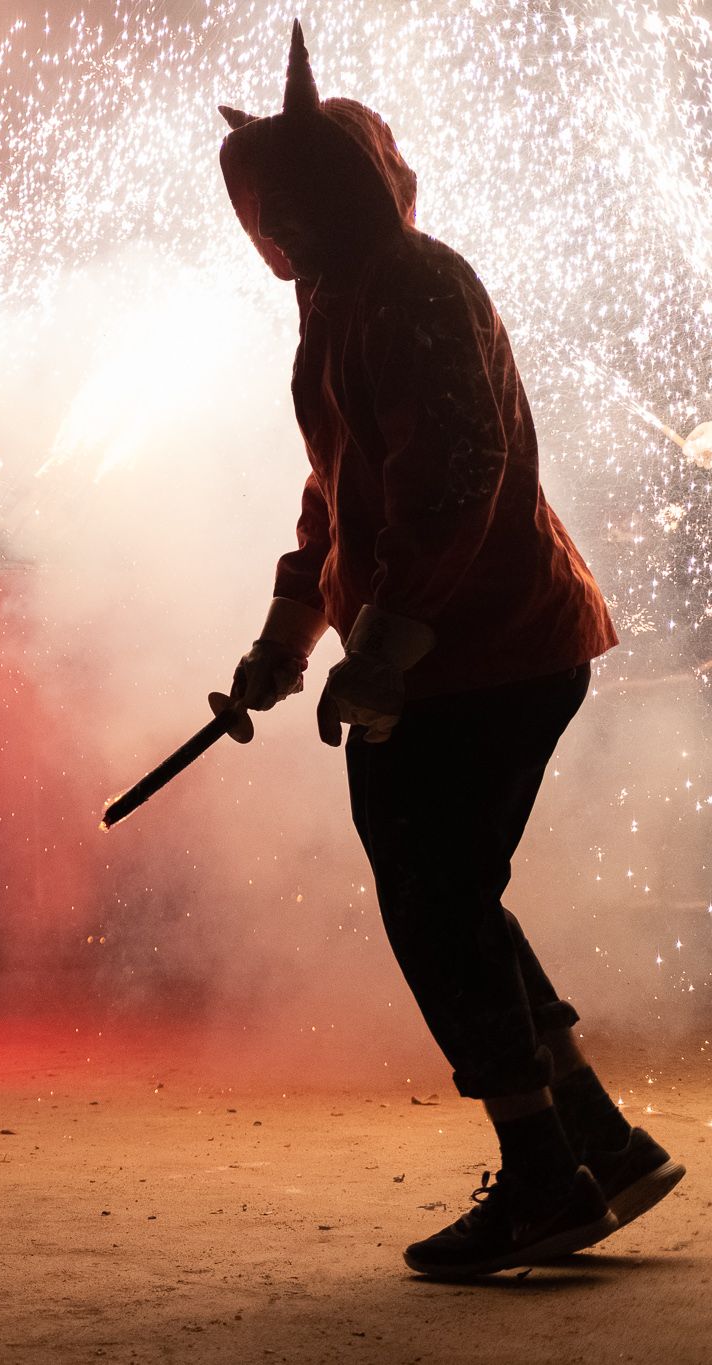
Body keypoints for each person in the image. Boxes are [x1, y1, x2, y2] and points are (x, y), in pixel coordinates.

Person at [213, 22, 683, 1278]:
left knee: (431, 905)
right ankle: (593, 1143)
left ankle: (541, 1173)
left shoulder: (411, 284)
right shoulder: (341, 302)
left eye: (267, 200)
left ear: (311, 197)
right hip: (460, 648)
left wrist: (377, 645)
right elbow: (339, 498)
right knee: (450, 897)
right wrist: (287, 636)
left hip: (487, 650)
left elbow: (452, 482)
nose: (256, 224)